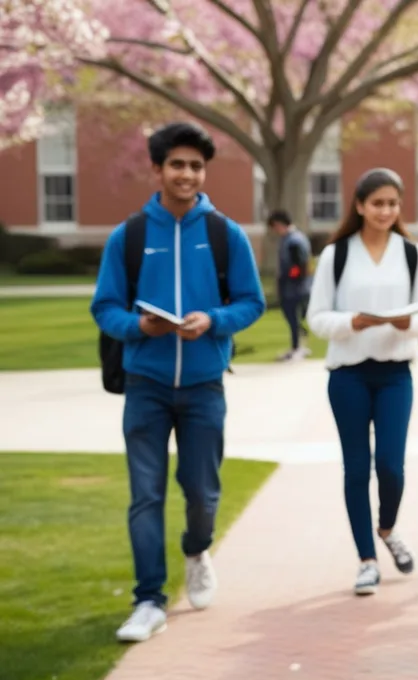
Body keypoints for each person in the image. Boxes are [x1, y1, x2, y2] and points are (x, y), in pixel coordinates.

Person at [90, 122, 266, 642]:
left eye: (195, 165)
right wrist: (138, 328)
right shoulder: (130, 236)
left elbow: (251, 301)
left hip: (204, 386)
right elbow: (105, 306)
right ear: (158, 170)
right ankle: (148, 601)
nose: (186, 174)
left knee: (202, 493)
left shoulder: (223, 234)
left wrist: (213, 320)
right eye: (177, 164)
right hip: (145, 383)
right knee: (145, 495)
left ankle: (196, 549)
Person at [306, 168, 418, 596]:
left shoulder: (413, 254)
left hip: (394, 374)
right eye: (377, 203)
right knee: (356, 469)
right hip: (347, 374)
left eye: (393, 203)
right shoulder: (336, 255)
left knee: (390, 466)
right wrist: (353, 321)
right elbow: (317, 318)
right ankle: (366, 560)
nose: (386, 210)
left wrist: (407, 323)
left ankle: (387, 528)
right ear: (360, 206)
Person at [268, 209, 314, 361]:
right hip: (295, 286)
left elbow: (299, 265)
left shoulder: (294, 241)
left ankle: (298, 347)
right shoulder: (293, 238)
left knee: (293, 316)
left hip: (294, 287)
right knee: (293, 317)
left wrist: (289, 279)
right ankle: (297, 345)